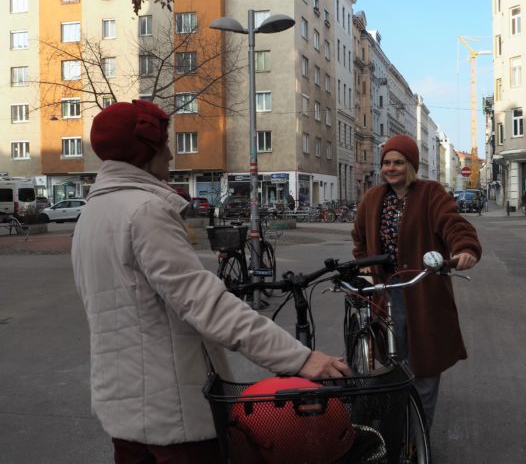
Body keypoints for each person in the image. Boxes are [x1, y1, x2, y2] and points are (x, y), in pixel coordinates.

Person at [72, 100, 349, 463]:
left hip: (122, 407)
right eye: (165, 144)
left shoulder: (91, 214)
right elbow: (206, 305)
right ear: (146, 149)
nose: (171, 154)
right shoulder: (145, 212)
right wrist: (300, 358)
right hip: (172, 412)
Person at [351, 134, 482, 430]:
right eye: (386, 162)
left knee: (424, 367)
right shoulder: (373, 198)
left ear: (410, 165)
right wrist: (367, 269)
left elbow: (453, 224)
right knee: (394, 363)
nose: (391, 168)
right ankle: (396, 428)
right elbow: (359, 237)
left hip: (423, 292)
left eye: (398, 162)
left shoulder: (430, 193)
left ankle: (418, 438)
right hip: (386, 293)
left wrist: (465, 249)